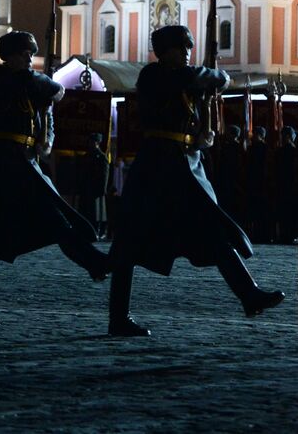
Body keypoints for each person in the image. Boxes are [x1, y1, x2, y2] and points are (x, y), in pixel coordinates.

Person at [108, 26, 282, 336]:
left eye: (188, 46)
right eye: (179, 47)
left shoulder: (187, 82)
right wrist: (216, 77)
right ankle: (117, 318)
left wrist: (203, 134)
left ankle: (249, 294)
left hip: (185, 165)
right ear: (164, 51)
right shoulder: (154, 75)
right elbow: (205, 78)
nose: (186, 52)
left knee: (213, 232)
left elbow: (202, 99)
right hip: (157, 167)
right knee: (130, 244)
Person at [0, 31, 111, 330]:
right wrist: (44, 85)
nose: (30, 59)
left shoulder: (27, 83)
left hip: (25, 161)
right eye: (25, 53)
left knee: (53, 220)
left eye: (31, 54)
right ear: (10, 55)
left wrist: (46, 138)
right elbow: (51, 88)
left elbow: (51, 103)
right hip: (0, 161)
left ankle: (94, 263)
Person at [79, 132, 111, 240]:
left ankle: (99, 231)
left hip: (96, 190)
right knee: (86, 212)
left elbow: (105, 175)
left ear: (98, 143)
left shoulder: (102, 157)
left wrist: (102, 189)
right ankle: (86, 231)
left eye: (93, 141)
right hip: (86, 189)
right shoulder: (86, 156)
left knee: (97, 214)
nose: (91, 143)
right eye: (90, 141)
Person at [275, 125, 298, 243]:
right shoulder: (293, 151)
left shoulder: (287, 151)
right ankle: (287, 234)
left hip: (286, 185)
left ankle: (286, 234)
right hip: (287, 185)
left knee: (287, 212)